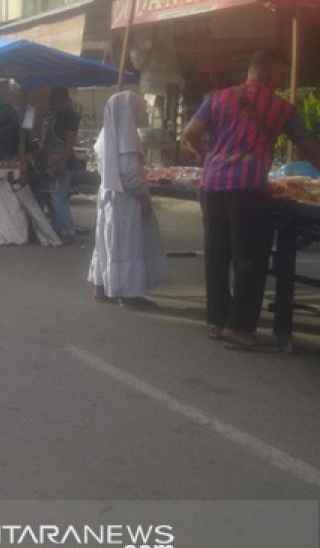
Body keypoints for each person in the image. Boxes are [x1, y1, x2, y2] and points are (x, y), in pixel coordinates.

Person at [181, 50, 320, 350]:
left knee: (218, 255)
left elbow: (190, 132)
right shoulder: (281, 107)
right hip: (248, 188)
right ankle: (240, 328)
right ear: (269, 74)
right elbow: (308, 147)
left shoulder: (216, 98)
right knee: (251, 258)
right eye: (281, 76)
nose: (281, 82)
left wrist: (209, 157)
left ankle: (218, 322)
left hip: (213, 185)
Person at [88, 91, 166, 307]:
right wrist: (144, 198)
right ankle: (129, 293)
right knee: (128, 244)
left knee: (106, 240)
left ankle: (102, 285)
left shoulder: (106, 134)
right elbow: (131, 175)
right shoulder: (127, 137)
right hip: (126, 199)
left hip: (108, 194)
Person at [43, 86, 81, 243]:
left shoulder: (69, 117)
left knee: (59, 197)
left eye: (52, 98)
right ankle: (59, 227)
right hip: (55, 160)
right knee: (53, 196)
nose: (49, 101)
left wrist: (62, 162)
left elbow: (69, 142)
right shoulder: (58, 116)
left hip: (63, 162)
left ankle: (67, 231)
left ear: (60, 99)